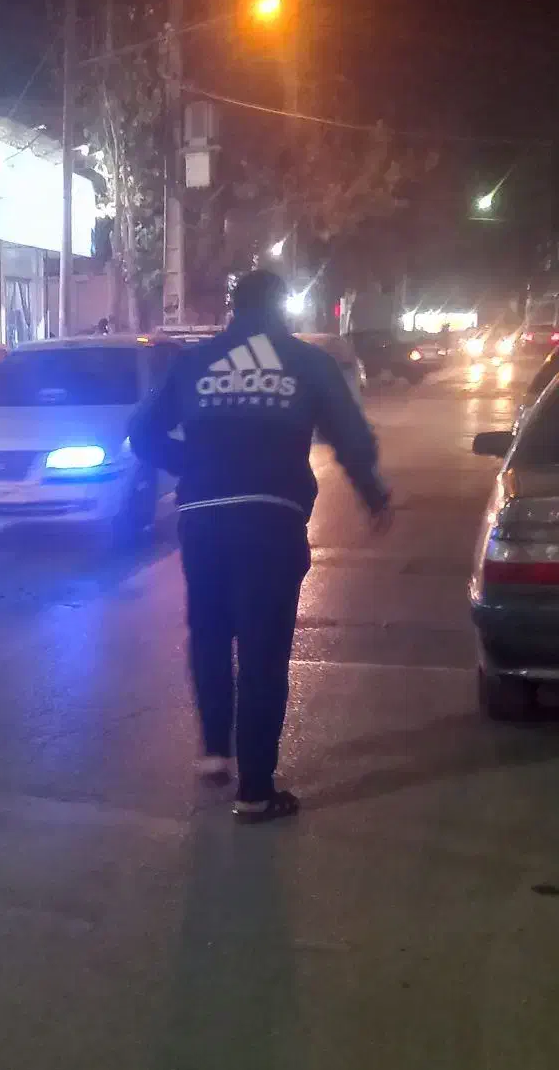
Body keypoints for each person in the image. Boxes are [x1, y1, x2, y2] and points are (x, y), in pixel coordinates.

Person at [130, 269, 393, 823]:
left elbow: (143, 431)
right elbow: (349, 435)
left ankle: (214, 752)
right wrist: (373, 495)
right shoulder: (307, 364)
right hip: (272, 520)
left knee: (209, 633)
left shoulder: (196, 363)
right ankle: (255, 791)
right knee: (262, 652)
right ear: (281, 309)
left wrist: (193, 465)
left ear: (234, 306)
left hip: (203, 519)